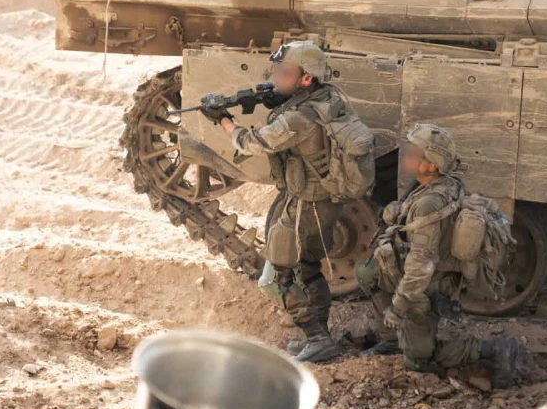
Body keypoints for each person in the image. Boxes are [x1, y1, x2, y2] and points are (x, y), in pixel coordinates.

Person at [203, 41, 348, 363]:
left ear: (306, 79)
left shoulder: (299, 119)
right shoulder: (329, 97)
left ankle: (318, 338)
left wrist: (223, 119)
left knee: (278, 277)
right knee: (307, 267)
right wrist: (282, 97)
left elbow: (253, 143)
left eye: (284, 73)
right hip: (322, 200)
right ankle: (318, 338)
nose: (276, 78)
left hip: (306, 204)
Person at [355, 124, 519, 387]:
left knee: (418, 362)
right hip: (429, 272)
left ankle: (492, 350)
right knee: (367, 271)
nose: (406, 155)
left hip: (429, 284)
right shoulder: (443, 184)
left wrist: (399, 306)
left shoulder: (429, 203)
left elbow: (421, 263)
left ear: (431, 165)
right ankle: (391, 340)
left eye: (413, 153)